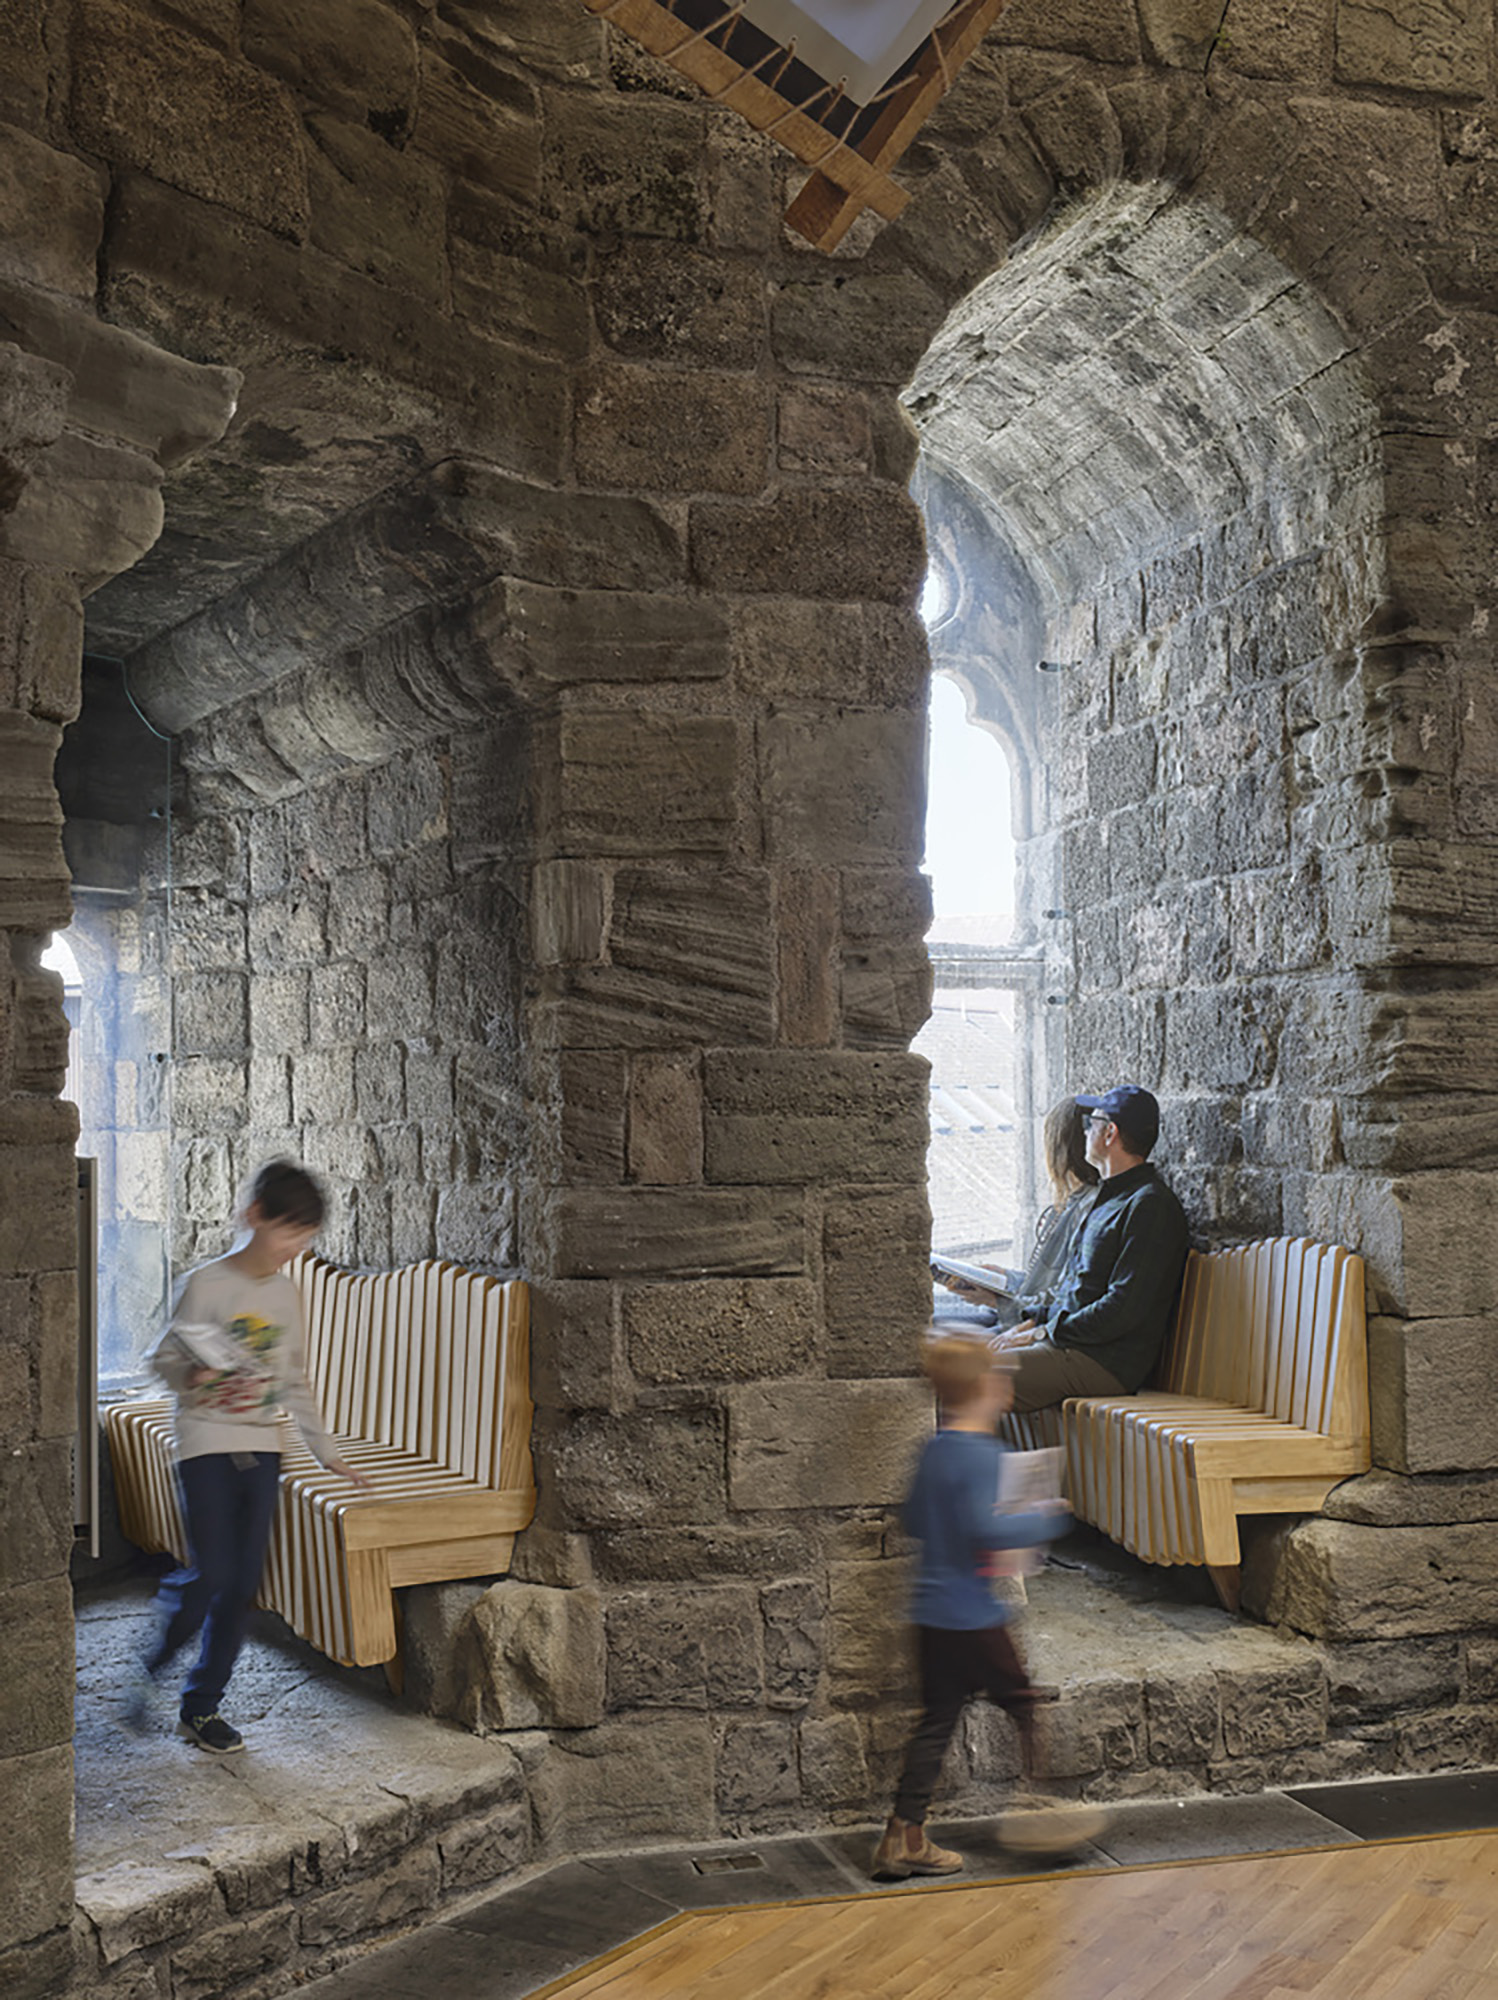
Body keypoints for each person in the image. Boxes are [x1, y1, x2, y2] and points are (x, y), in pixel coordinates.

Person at [128, 1160, 368, 1753]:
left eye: (306, 1238)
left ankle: (201, 1707)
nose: (294, 1248)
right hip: (205, 1445)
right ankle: (152, 1667)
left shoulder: (287, 1294)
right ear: (253, 1216)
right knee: (211, 1575)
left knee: (242, 1587)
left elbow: (295, 1379)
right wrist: (195, 1372)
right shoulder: (207, 1284)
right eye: (289, 1233)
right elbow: (161, 1361)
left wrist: (324, 1450)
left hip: (262, 1451)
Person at [871, 1332, 1106, 1880]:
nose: (1006, 1388)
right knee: (1024, 1704)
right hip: (971, 1616)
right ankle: (1040, 1810)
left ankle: (903, 1836)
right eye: (1001, 1379)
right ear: (986, 1389)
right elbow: (983, 1528)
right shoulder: (983, 1455)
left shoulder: (933, 1449)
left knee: (937, 1721)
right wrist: (1048, 1515)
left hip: (930, 1615)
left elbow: (914, 1520)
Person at [995, 1084, 1189, 1415]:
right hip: (1072, 1346)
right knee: (960, 1358)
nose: (1086, 1132)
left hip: (1103, 1361)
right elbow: (1076, 1292)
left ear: (1110, 1133)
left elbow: (1121, 1310)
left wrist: (1045, 1331)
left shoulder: (1150, 1205)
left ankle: (1005, 1467)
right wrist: (1031, 1323)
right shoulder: (1110, 1199)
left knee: (971, 1378)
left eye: (1092, 1123)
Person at [937, 1096, 1100, 1328]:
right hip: (1020, 1313)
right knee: (931, 1323)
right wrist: (1004, 1277)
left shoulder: (1088, 1209)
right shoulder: (1073, 1201)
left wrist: (997, 1302)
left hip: (1029, 1322)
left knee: (934, 1333)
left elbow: (1061, 1297)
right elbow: (1045, 1283)